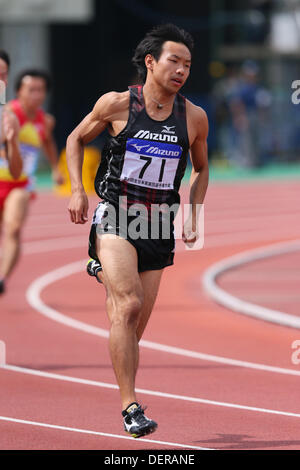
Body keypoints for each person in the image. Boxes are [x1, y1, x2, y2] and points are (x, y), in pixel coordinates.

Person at [66, 24, 209, 438]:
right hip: (116, 214)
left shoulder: (193, 116)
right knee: (126, 306)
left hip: (158, 223)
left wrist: (194, 215)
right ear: (151, 61)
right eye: (174, 61)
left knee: (132, 326)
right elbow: (76, 138)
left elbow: (201, 169)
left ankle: (101, 271)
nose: (181, 70)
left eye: (188, 64)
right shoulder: (117, 104)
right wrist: (77, 190)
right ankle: (131, 407)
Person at [0, 68, 63, 294]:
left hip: (21, 183)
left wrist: (55, 168)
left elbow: (48, 143)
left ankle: (3, 279)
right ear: (18, 91)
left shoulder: (45, 121)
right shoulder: (6, 115)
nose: (36, 95)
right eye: (31, 90)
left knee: (14, 228)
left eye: (40, 90)